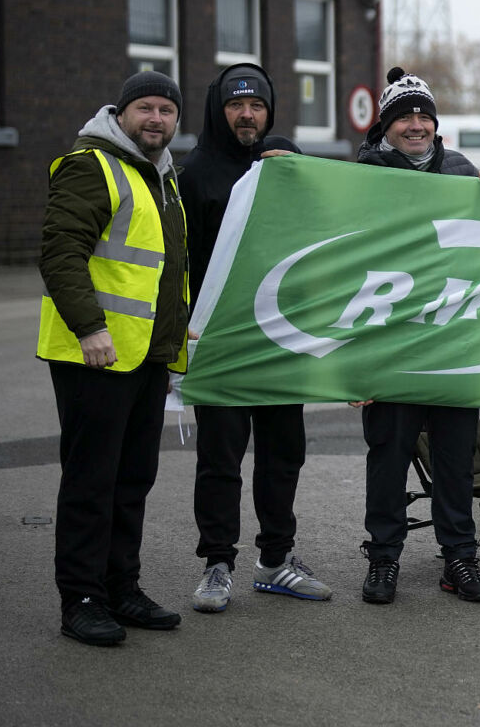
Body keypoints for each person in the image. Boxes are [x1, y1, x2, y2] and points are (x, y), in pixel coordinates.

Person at [38, 71, 190, 645]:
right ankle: (81, 599)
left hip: (145, 356)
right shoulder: (89, 165)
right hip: (92, 354)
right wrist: (90, 328)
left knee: (132, 480)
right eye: (145, 108)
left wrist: (176, 342)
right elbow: (60, 253)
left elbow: (165, 269)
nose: (157, 119)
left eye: (167, 111)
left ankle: (121, 587)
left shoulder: (162, 176)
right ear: (122, 113)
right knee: (90, 482)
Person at [179, 63, 330, 613]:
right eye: (237, 106)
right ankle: (217, 564)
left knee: (282, 454)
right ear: (219, 111)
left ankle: (275, 561)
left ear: (270, 111)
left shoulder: (286, 168)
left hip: (279, 338)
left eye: (258, 106)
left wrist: (300, 169)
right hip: (218, 339)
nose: (248, 115)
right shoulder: (195, 174)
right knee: (220, 458)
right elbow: (182, 262)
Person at [353, 67, 480, 606]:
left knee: (455, 459)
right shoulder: (362, 177)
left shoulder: (463, 172)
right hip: (389, 345)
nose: (415, 125)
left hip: (454, 341)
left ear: (435, 125)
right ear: (385, 126)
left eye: (423, 116)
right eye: (404, 116)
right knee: (388, 456)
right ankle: (383, 557)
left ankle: (458, 557)